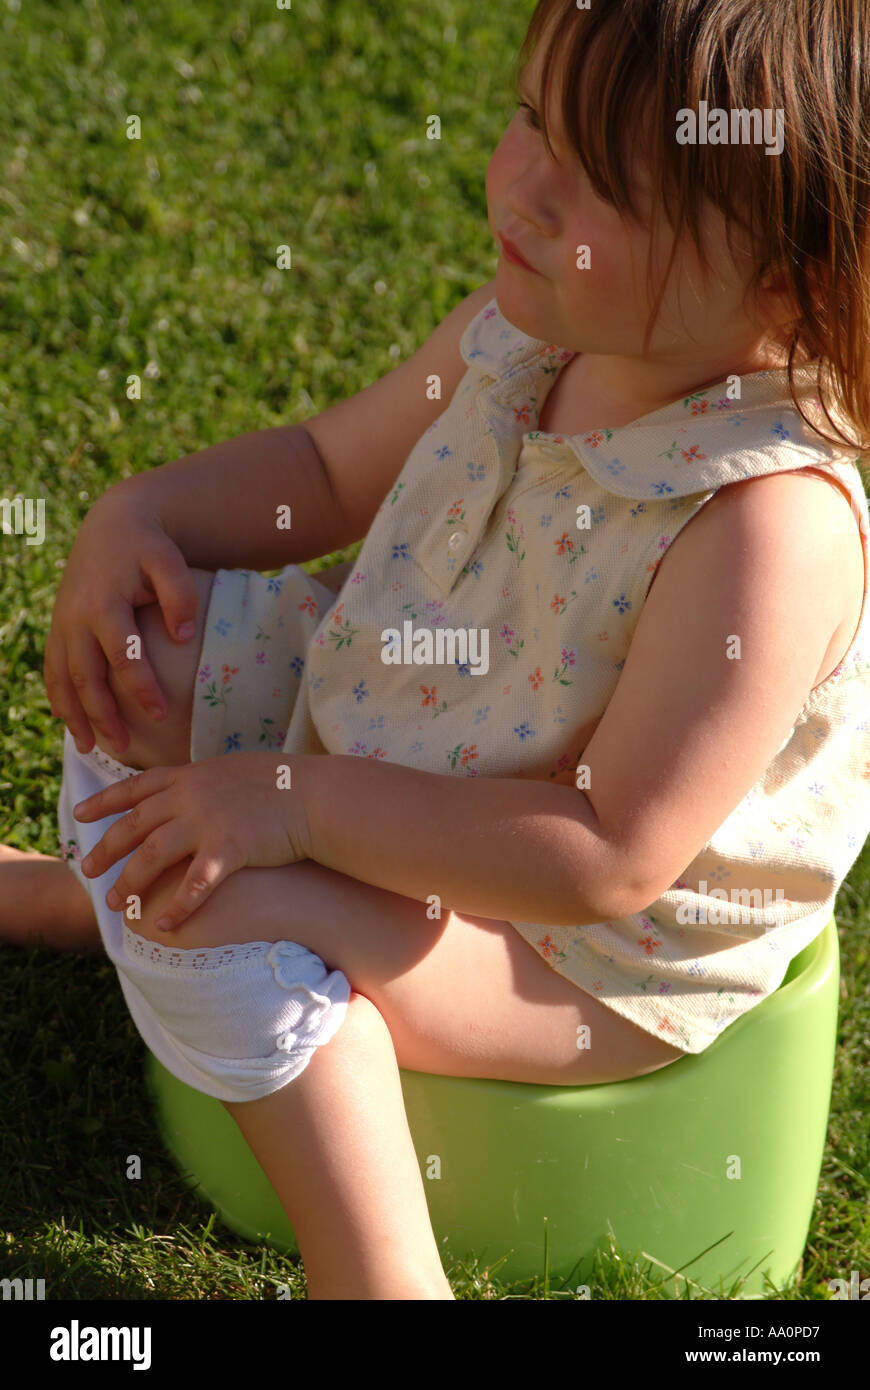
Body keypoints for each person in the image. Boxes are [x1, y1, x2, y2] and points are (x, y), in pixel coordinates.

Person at [4, 0, 870, 1300]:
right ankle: (92, 895)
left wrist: (288, 806)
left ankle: (383, 1272)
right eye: (531, 121)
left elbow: (602, 856)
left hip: (567, 954)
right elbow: (318, 472)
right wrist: (143, 516)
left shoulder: (762, 525)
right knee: (140, 654)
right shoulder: (533, 332)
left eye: (599, 184)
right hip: (397, 735)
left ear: (790, 274)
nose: (521, 186)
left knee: (198, 899)